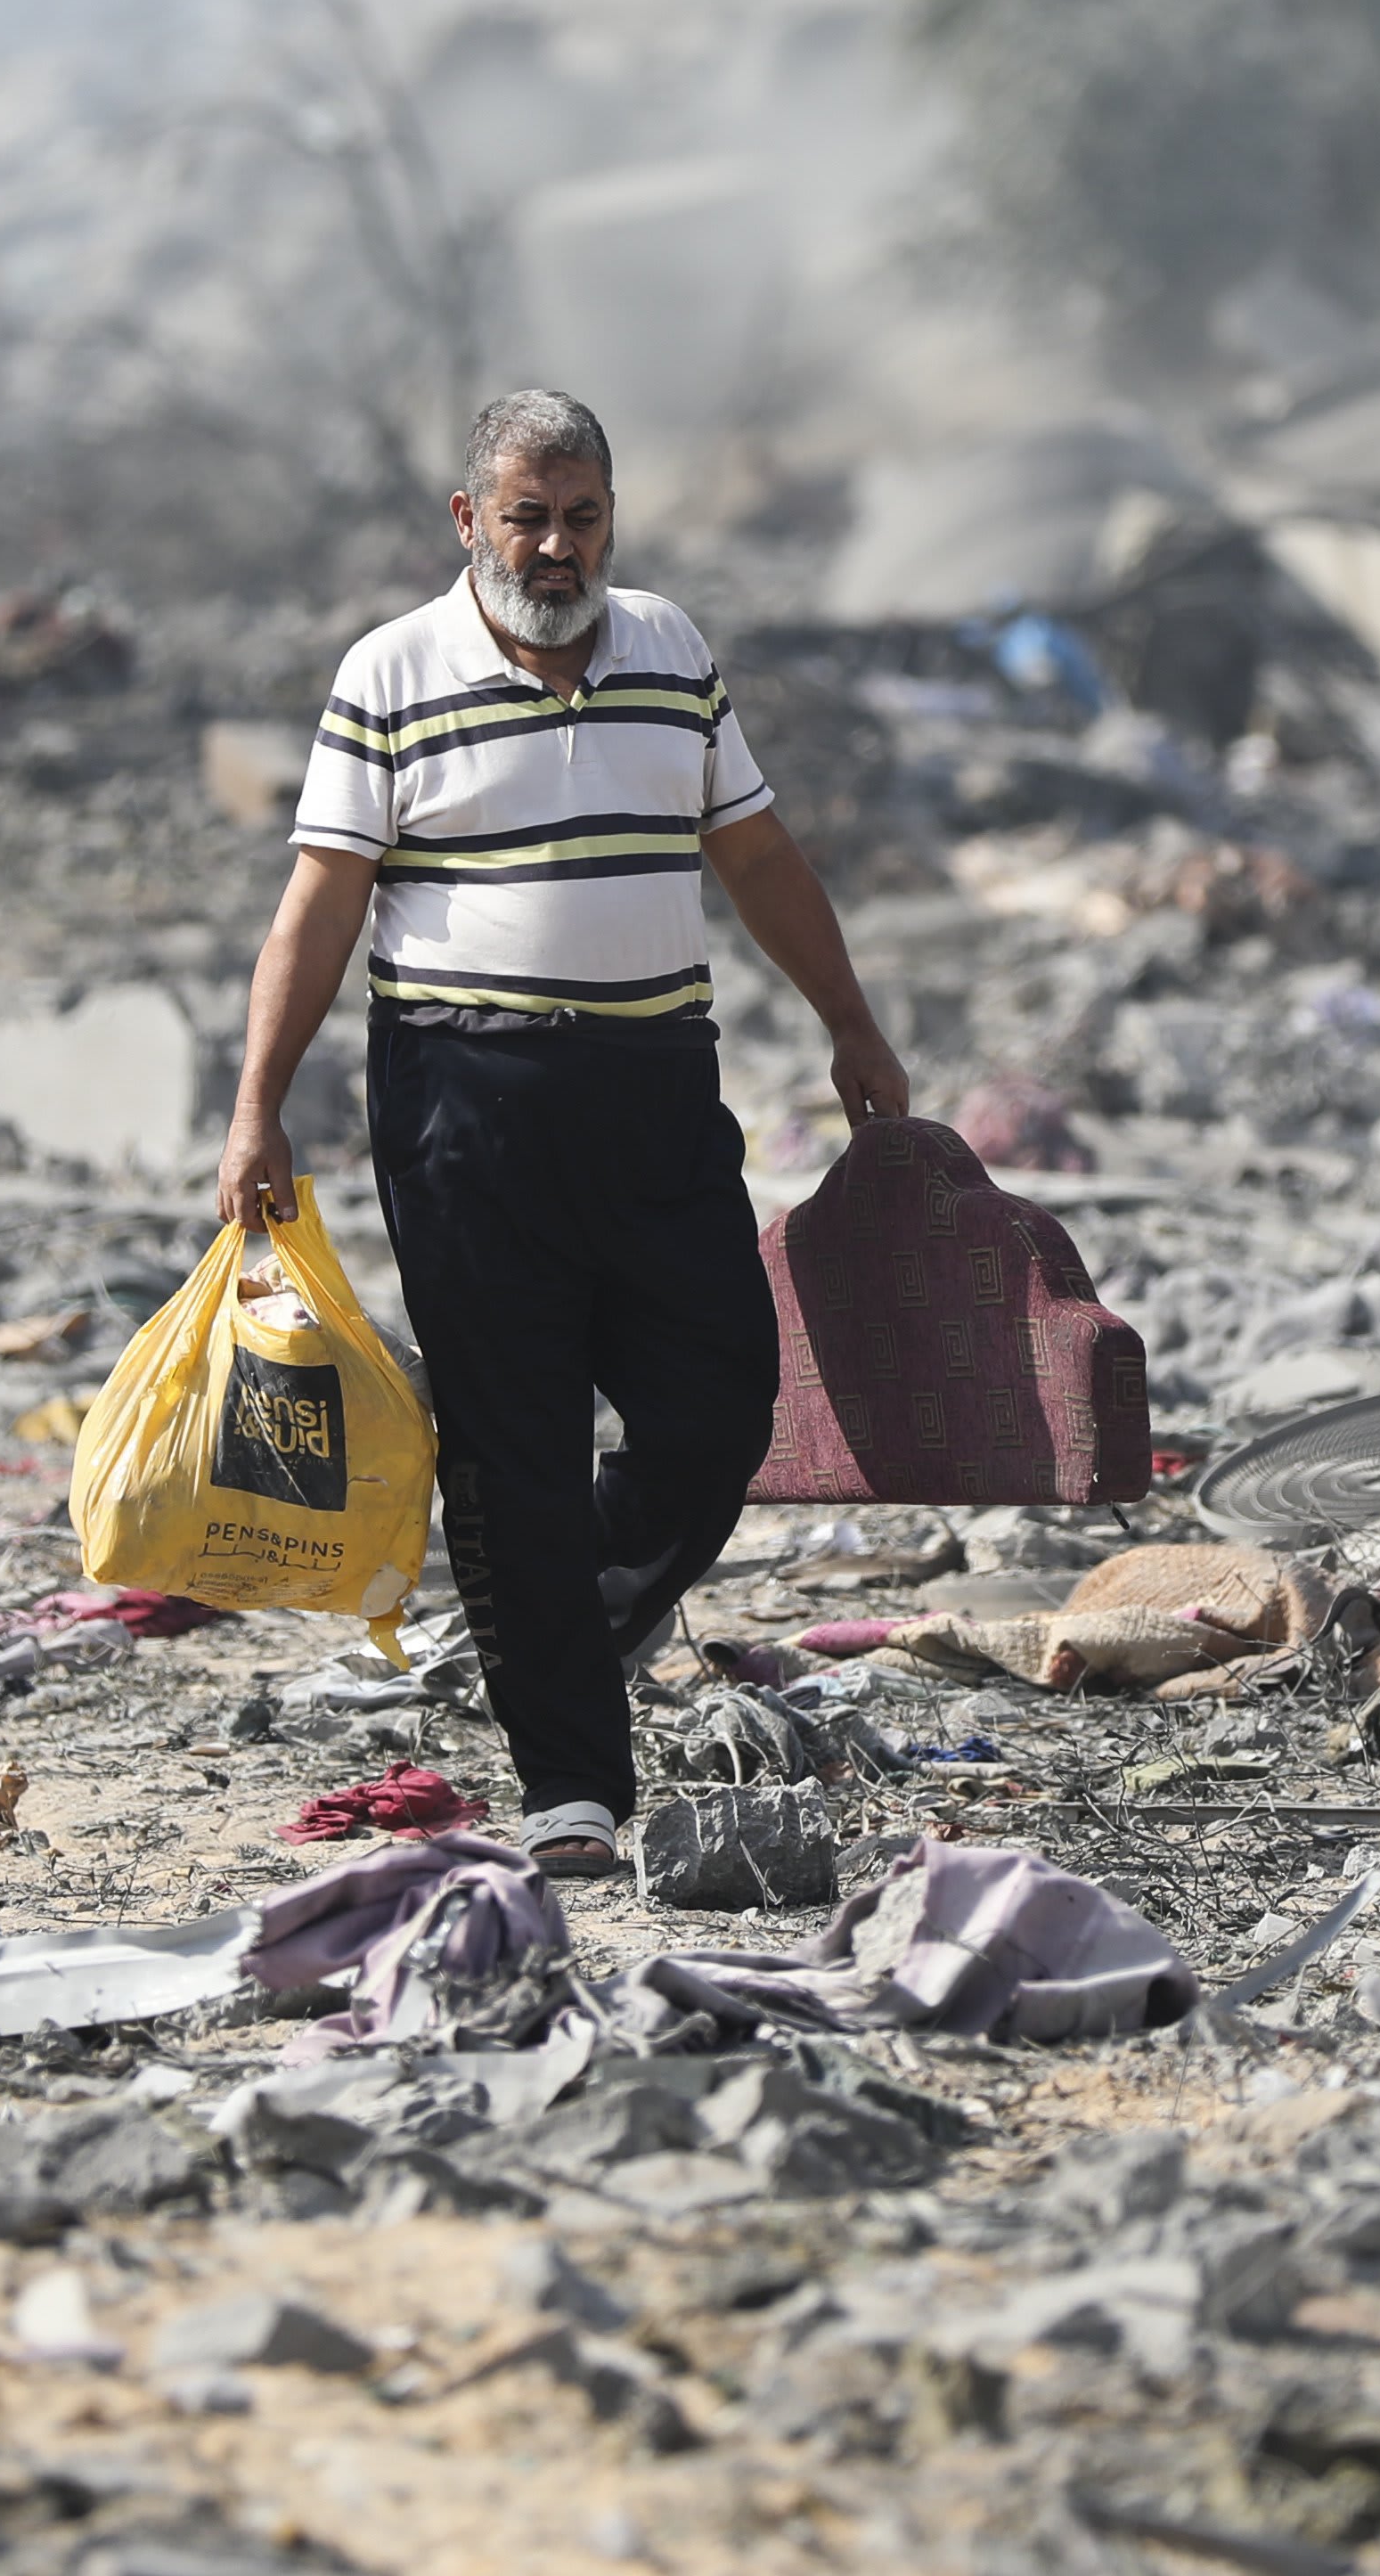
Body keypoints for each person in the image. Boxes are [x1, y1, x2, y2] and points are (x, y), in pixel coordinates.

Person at [214, 388, 911, 1878]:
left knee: (720, 1402)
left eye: (581, 516)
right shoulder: (390, 674)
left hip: (659, 1085)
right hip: (467, 1099)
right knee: (512, 1435)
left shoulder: (670, 649)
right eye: (525, 516)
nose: (554, 546)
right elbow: (321, 905)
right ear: (470, 520)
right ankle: (572, 1788)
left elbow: (758, 854)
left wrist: (851, 1021)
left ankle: (544, 1621)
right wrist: (257, 1105)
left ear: (613, 517)